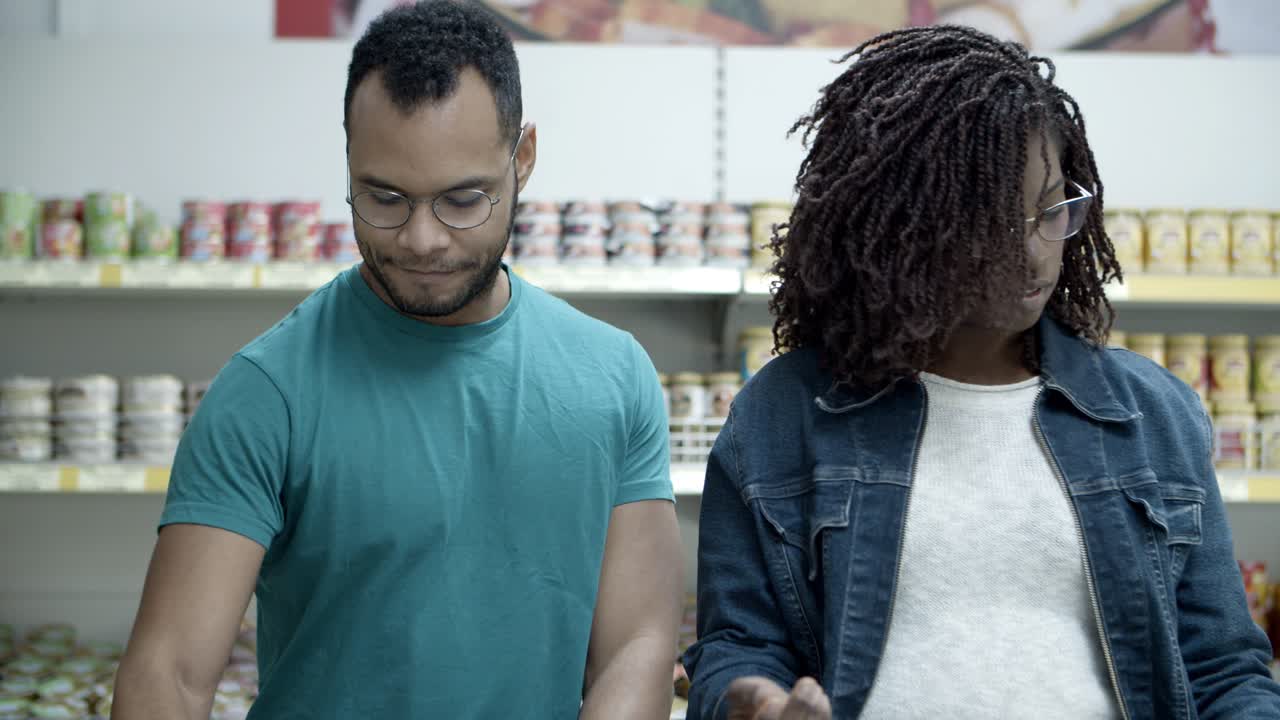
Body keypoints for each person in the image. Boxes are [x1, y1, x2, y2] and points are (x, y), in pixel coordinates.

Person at [683, 25, 1280, 720]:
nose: (1033, 253)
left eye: (1052, 210)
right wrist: (746, 705)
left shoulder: (1153, 415)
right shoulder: (781, 416)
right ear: (905, 222)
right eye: (995, 222)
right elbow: (735, 650)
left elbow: (1224, 670)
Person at [113, 2, 683, 718]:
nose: (421, 240)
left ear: (523, 159)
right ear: (349, 158)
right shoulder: (267, 392)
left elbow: (636, 644)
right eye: (384, 197)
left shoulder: (614, 379)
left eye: (462, 199)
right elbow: (168, 676)